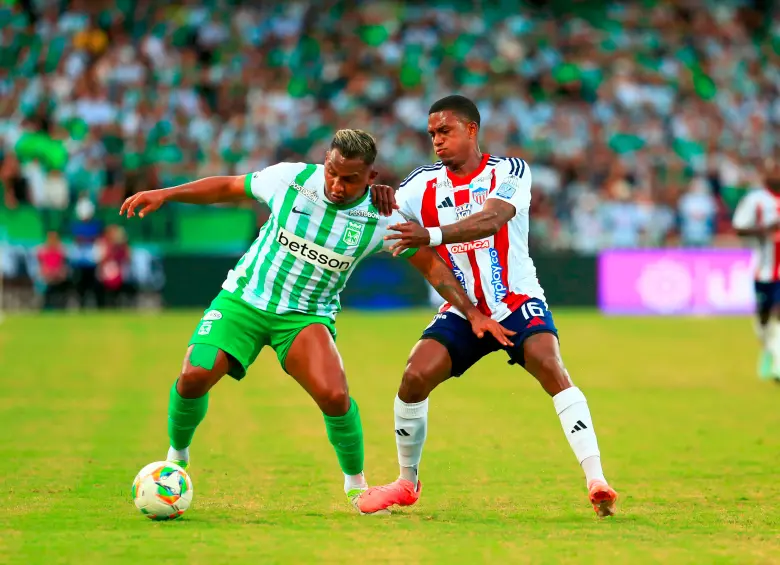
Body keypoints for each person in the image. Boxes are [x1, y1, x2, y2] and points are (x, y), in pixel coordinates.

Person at [119, 129, 514, 513]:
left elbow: (432, 267)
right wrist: (167, 194)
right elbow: (229, 187)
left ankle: (357, 487)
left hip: (306, 316)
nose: (338, 185)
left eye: (350, 179)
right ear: (325, 161)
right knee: (194, 374)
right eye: (333, 173)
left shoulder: (382, 217)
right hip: (245, 299)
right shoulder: (289, 179)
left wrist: (473, 312)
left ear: (371, 177)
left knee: (335, 396)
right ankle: (177, 457)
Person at [356, 96, 619, 517]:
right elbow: (373, 213)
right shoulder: (421, 184)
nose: (437, 141)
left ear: (471, 130)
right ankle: (407, 482)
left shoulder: (509, 172)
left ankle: (597, 479)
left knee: (550, 365)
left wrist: (431, 235)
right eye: (432, 135)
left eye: (445, 131)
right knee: (414, 375)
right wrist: (373, 194)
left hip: (515, 298)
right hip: (464, 307)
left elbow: (491, 220)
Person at [732, 158, 780, 381]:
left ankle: (778, 365)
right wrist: (764, 230)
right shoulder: (755, 200)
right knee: (763, 317)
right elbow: (739, 228)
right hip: (764, 269)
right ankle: (767, 349)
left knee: (778, 313)